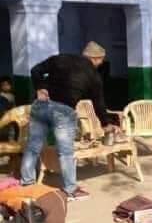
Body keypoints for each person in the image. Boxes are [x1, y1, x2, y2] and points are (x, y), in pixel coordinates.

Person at [20, 42, 119, 201]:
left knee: (33, 147)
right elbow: (99, 104)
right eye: (101, 60)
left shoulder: (61, 58)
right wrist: (105, 124)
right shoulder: (93, 75)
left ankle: (27, 183)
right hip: (63, 112)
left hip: (41, 106)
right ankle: (70, 190)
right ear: (96, 58)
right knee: (66, 152)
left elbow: (35, 70)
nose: (101, 63)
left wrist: (40, 87)